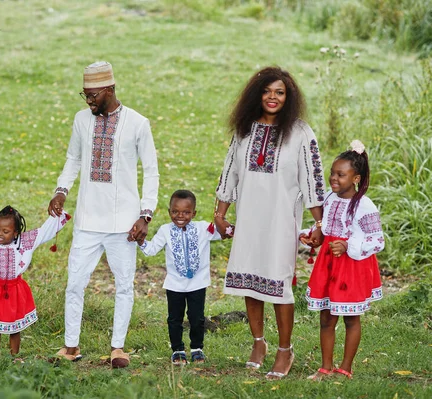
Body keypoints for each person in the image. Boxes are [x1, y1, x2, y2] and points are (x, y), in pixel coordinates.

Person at [214, 66, 325, 379]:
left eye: (280, 92)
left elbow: (313, 179)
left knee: (278, 285)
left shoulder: (300, 132)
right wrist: (220, 214)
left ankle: (285, 349)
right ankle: (259, 343)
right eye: (266, 91)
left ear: (288, 97)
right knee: (251, 280)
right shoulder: (244, 130)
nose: (272, 97)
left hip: (281, 221)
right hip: (249, 217)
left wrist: (320, 223)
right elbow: (230, 173)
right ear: (257, 94)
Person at [48, 61, 159, 368]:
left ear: (110, 89)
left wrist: (145, 215)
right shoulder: (82, 120)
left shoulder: (138, 123)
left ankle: (118, 348)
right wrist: (61, 190)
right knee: (74, 283)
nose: (88, 101)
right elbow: (73, 158)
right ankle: (71, 346)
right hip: (87, 219)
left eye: (93, 95)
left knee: (124, 285)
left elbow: (151, 172)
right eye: (84, 95)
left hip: (125, 223)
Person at [303, 140, 384, 381]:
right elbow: (326, 228)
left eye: (341, 174)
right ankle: (325, 366)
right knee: (326, 316)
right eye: (332, 173)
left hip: (351, 266)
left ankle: (345, 367)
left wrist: (349, 245)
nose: (334, 178)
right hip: (329, 263)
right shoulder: (329, 199)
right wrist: (311, 236)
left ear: (356, 178)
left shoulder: (364, 206)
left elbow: (377, 241)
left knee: (351, 317)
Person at [0, 205, 70, 358]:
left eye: (5, 231)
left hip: (16, 290)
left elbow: (42, 232)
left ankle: (14, 357)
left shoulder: (25, 242)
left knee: (15, 328)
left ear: (15, 233)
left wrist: (58, 215)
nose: (0, 234)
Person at [137, 190, 224, 365]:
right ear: (169, 212)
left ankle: (197, 349)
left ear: (194, 213)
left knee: (197, 318)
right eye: (175, 212)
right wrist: (140, 241)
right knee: (174, 319)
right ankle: (177, 350)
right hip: (174, 285)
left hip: (198, 284)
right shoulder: (165, 230)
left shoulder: (204, 228)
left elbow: (224, 232)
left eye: (186, 212)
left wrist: (222, 221)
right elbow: (151, 249)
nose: (180, 216)